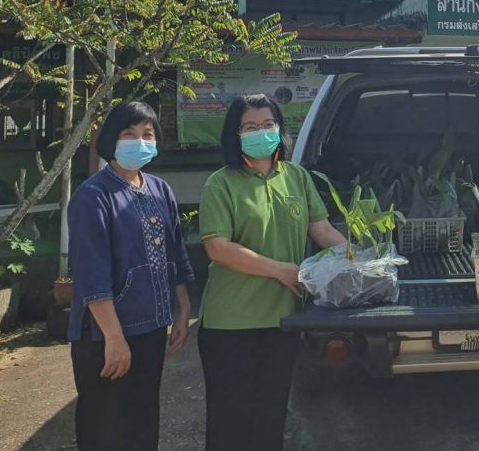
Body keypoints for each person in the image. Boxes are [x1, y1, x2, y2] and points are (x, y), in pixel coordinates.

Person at [197, 94, 346, 451]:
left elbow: (322, 230)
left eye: (268, 125)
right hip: (230, 324)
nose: (260, 132)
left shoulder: (296, 177)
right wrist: (280, 270)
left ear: (280, 129)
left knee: (270, 418)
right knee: (230, 424)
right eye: (250, 127)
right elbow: (218, 248)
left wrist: (360, 260)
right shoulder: (221, 183)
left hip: (281, 322)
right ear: (235, 135)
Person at [68, 101, 194, 451]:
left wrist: (182, 311)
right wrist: (114, 338)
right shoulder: (93, 196)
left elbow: (175, 254)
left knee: (142, 424)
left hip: (151, 329)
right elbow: (91, 275)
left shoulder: (159, 190)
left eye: (147, 134)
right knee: (106, 428)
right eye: (129, 134)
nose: (139, 141)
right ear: (112, 139)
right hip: (104, 337)